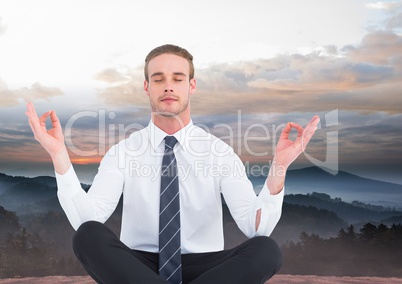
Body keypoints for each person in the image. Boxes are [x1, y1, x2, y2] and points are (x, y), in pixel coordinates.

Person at [26, 44, 319, 284]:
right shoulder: (123, 152)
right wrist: (59, 155)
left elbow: (257, 228)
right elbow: (88, 218)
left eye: (178, 78)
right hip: (137, 267)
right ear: (146, 86)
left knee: (266, 250)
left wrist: (279, 166)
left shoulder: (219, 153)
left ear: (191, 85)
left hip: (206, 268)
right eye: (159, 79)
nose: (168, 86)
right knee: (88, 236)